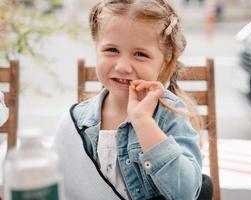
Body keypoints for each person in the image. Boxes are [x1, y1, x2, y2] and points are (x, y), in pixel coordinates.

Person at [53, 0, 208, 199]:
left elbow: (186, 193)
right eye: (112, 50)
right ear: (96, 48)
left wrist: (144, 122)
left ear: (165, 62)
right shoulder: (77, 120)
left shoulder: (170, 114)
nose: (123, 67)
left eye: (140, 54)